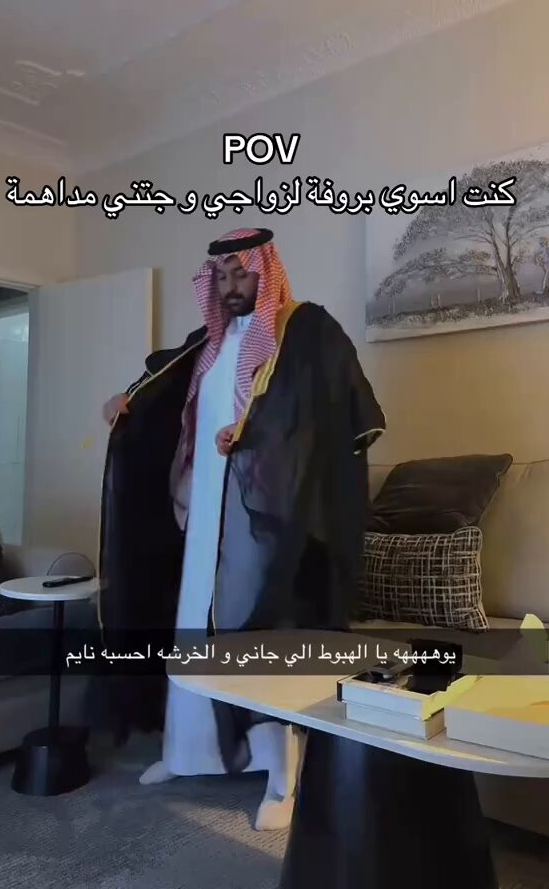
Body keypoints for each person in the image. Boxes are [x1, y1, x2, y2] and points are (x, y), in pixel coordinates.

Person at [98, 227, 385, 830]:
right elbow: (161, 387)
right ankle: (187, 752)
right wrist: (125, 400)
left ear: (265, 269)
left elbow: (329, 414)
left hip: (272, 517)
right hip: (206, 512)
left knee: (258, 632)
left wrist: (257, 436)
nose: (231, 286)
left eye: (242, 273)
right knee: (194, 631)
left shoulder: (306, 329)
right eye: (221, 276)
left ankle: (282, 779)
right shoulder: (205, 343)